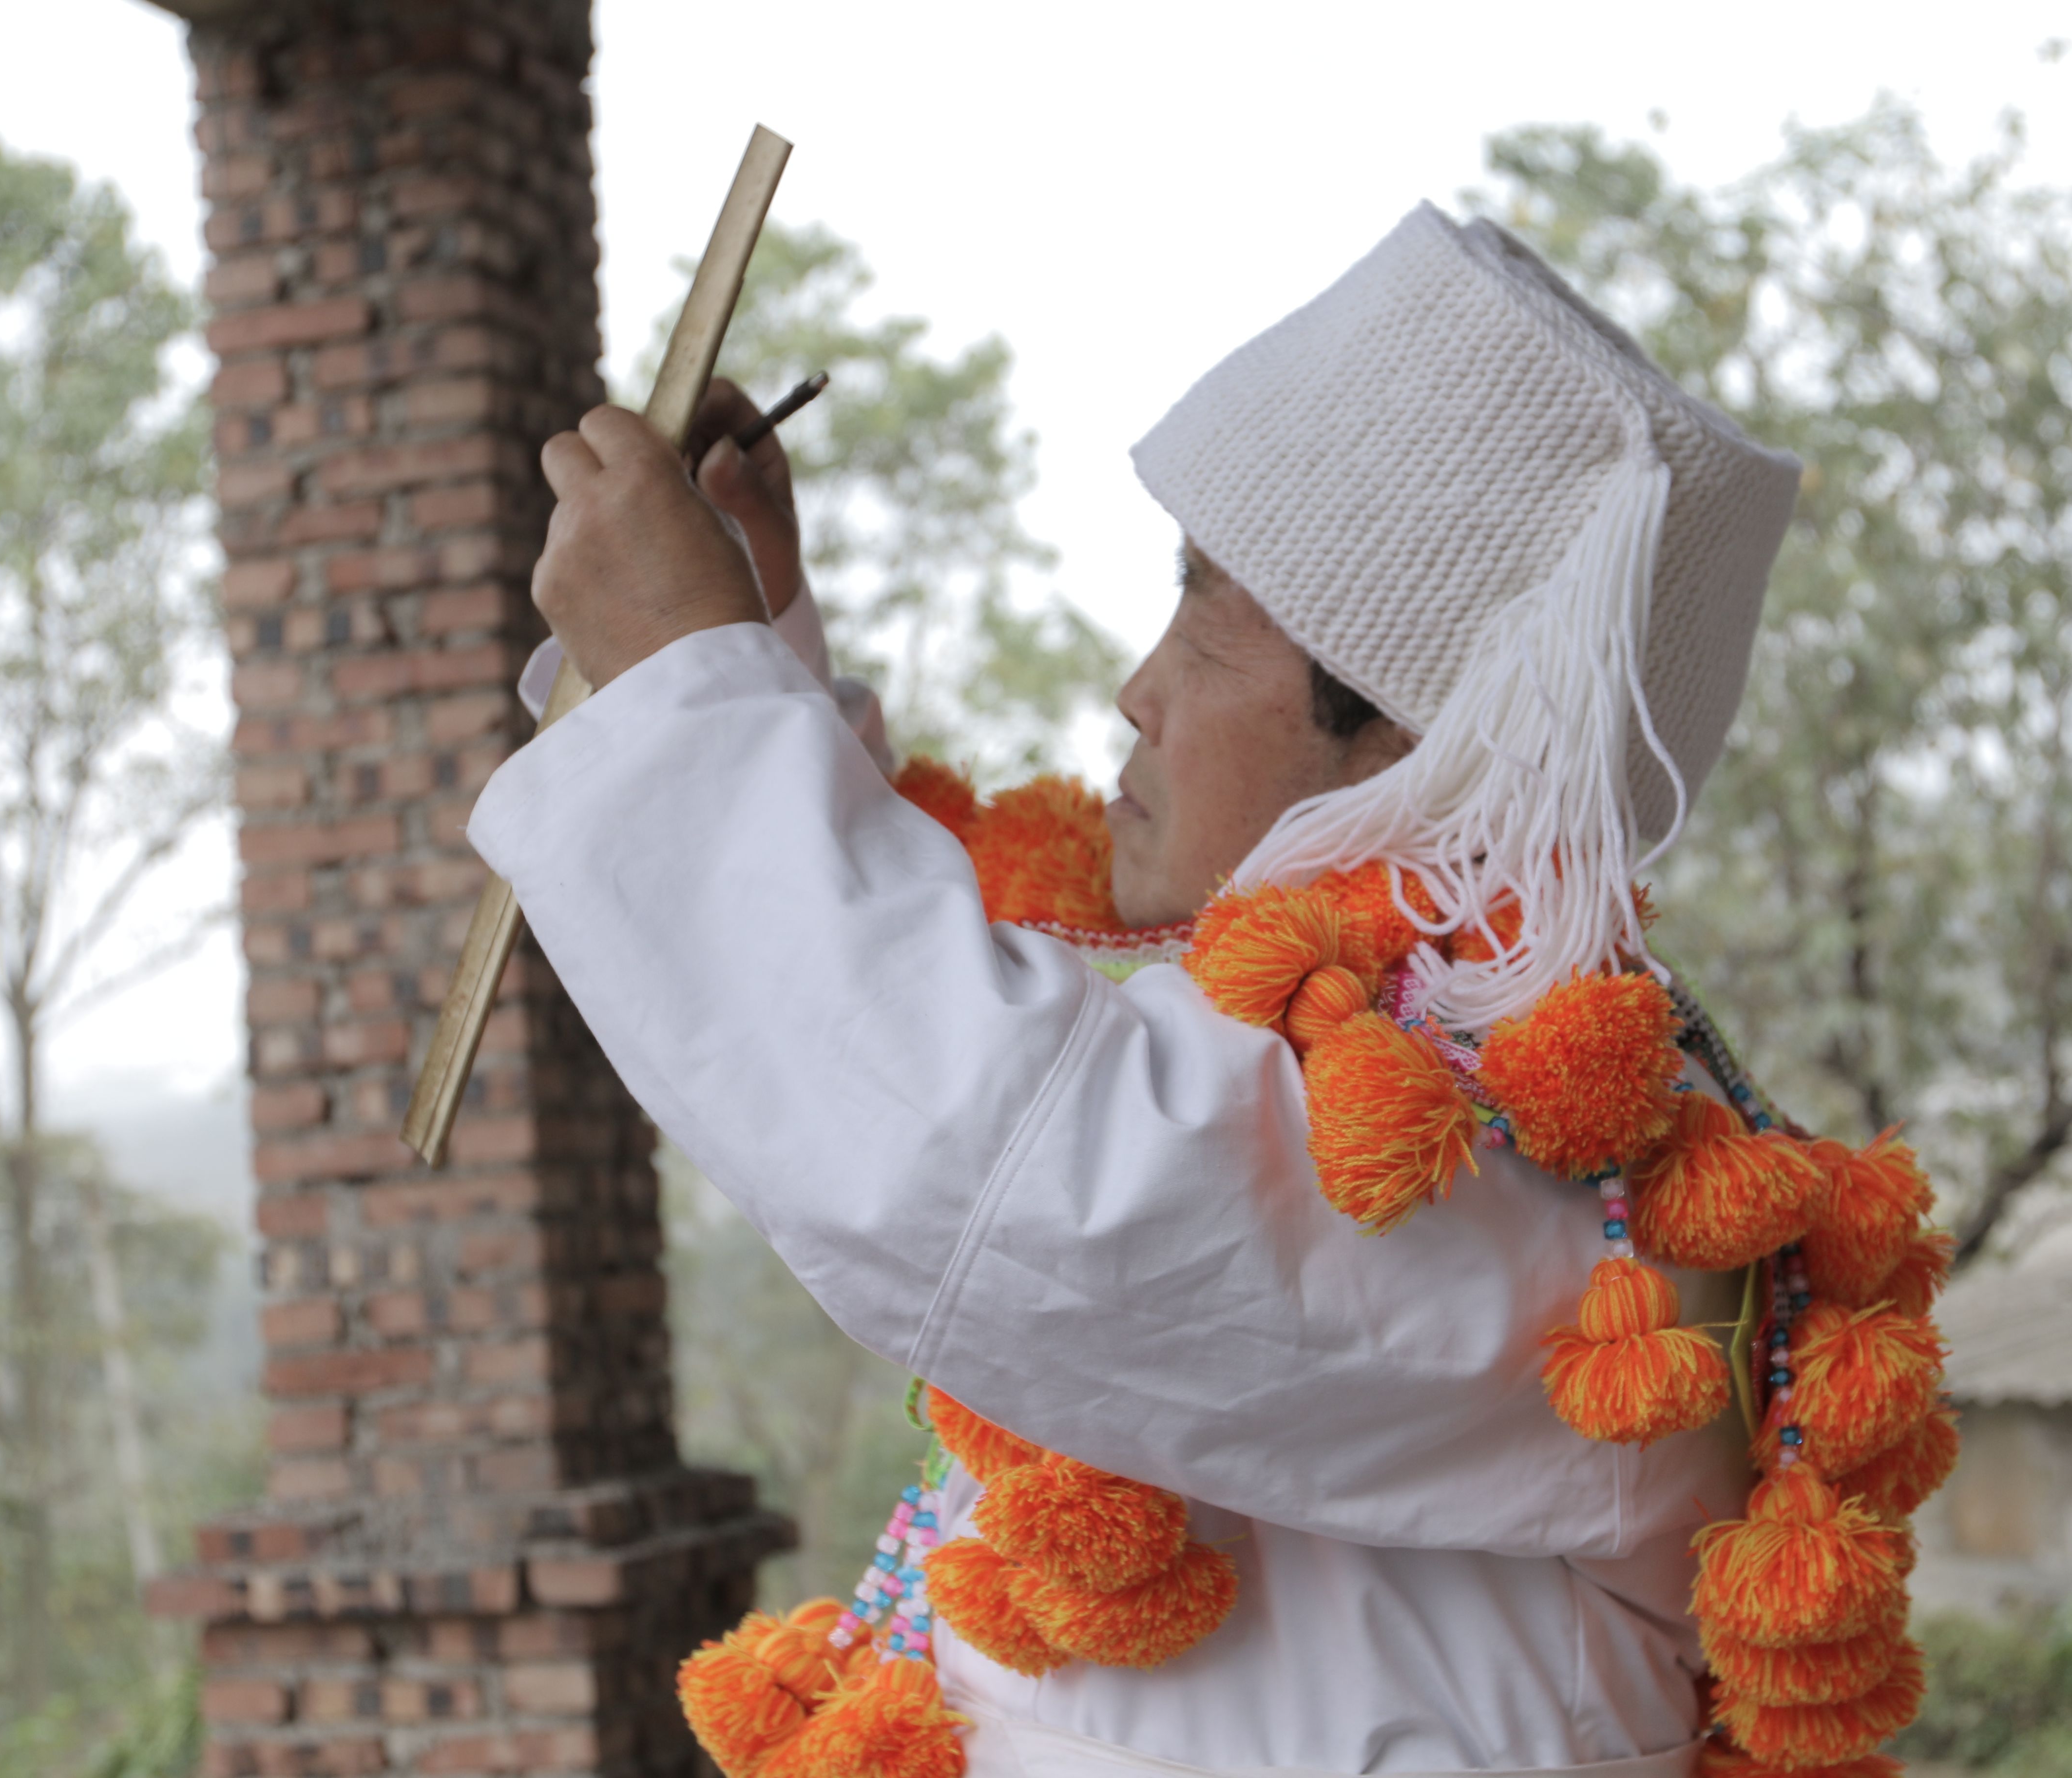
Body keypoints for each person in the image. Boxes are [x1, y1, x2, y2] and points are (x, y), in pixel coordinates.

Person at [475, 205, 1949, 1778]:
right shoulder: (1337, 1032)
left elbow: (1009, 1157)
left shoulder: (1534, 1153)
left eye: (1203, 604)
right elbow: (992, 1021)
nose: (1140, 691)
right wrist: (748, 634)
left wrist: (687, 679)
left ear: (1408, 740)